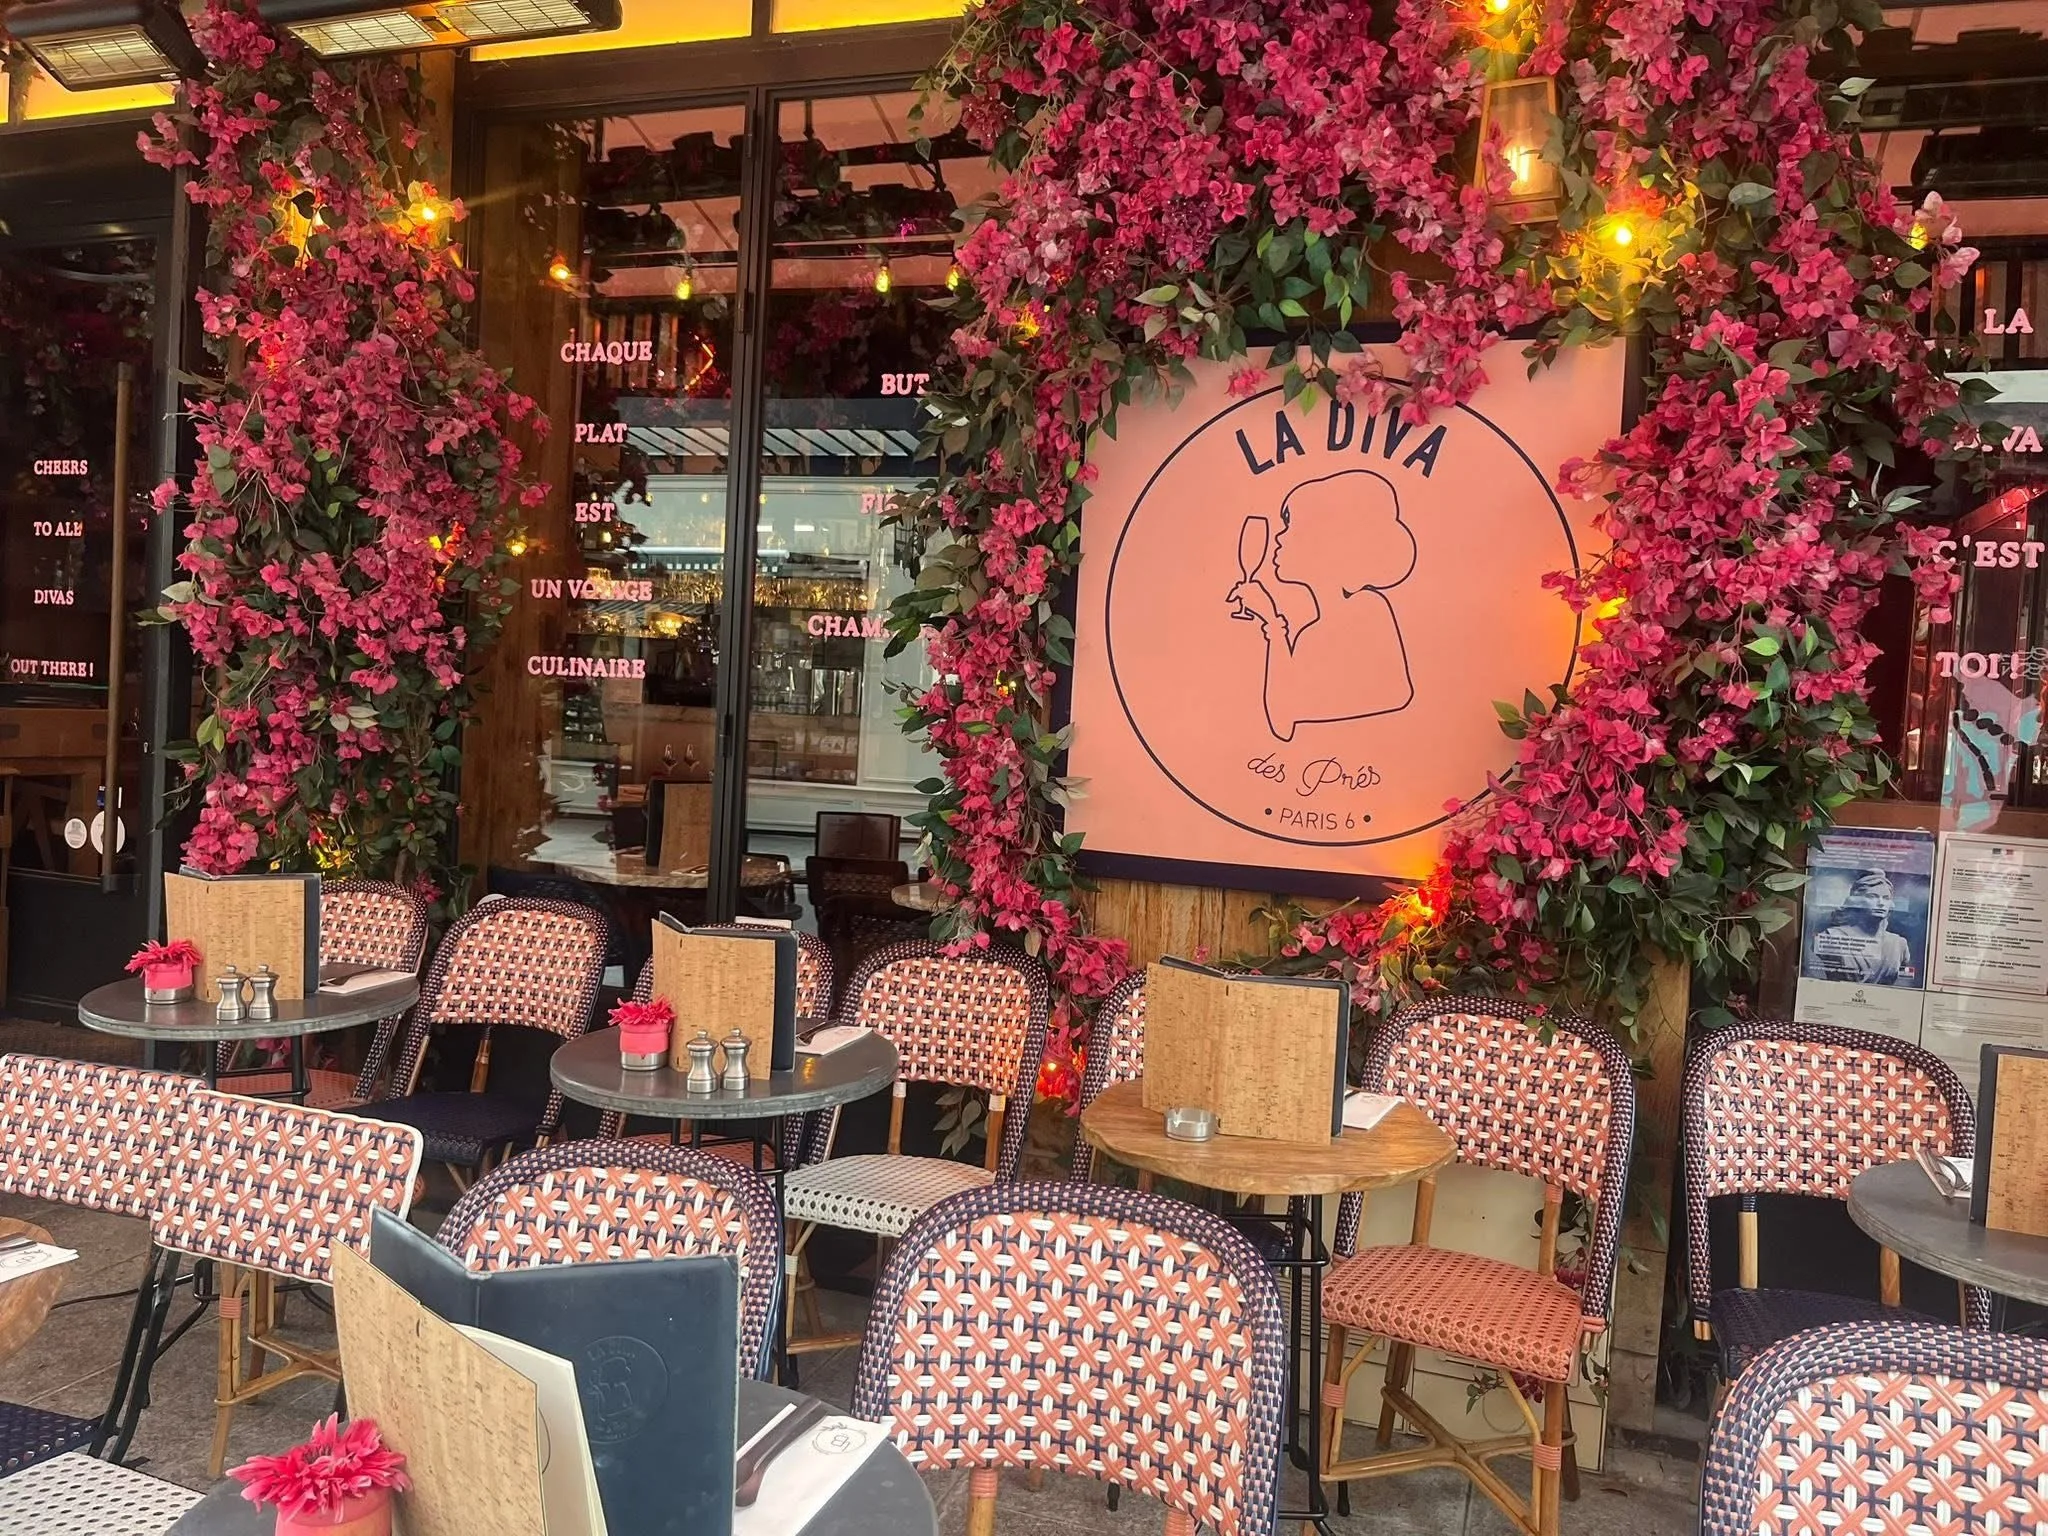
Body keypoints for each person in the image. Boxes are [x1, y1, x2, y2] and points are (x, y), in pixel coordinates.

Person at [1226, 470, 1417, 742]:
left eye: (1290, 525)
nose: (1278, 537)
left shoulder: (1369, 610)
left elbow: (1284, 716)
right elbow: (1283, 720)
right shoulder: (1314, 633)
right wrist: (1271, 620)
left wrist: (1273, 622)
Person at [1809, 868, 1913, 984]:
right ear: (1856, 901)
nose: (1881, 903)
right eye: (1872, 897)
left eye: (1886, 898)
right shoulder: (1831, 937)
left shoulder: (1899, 944)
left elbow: (1906, 978)